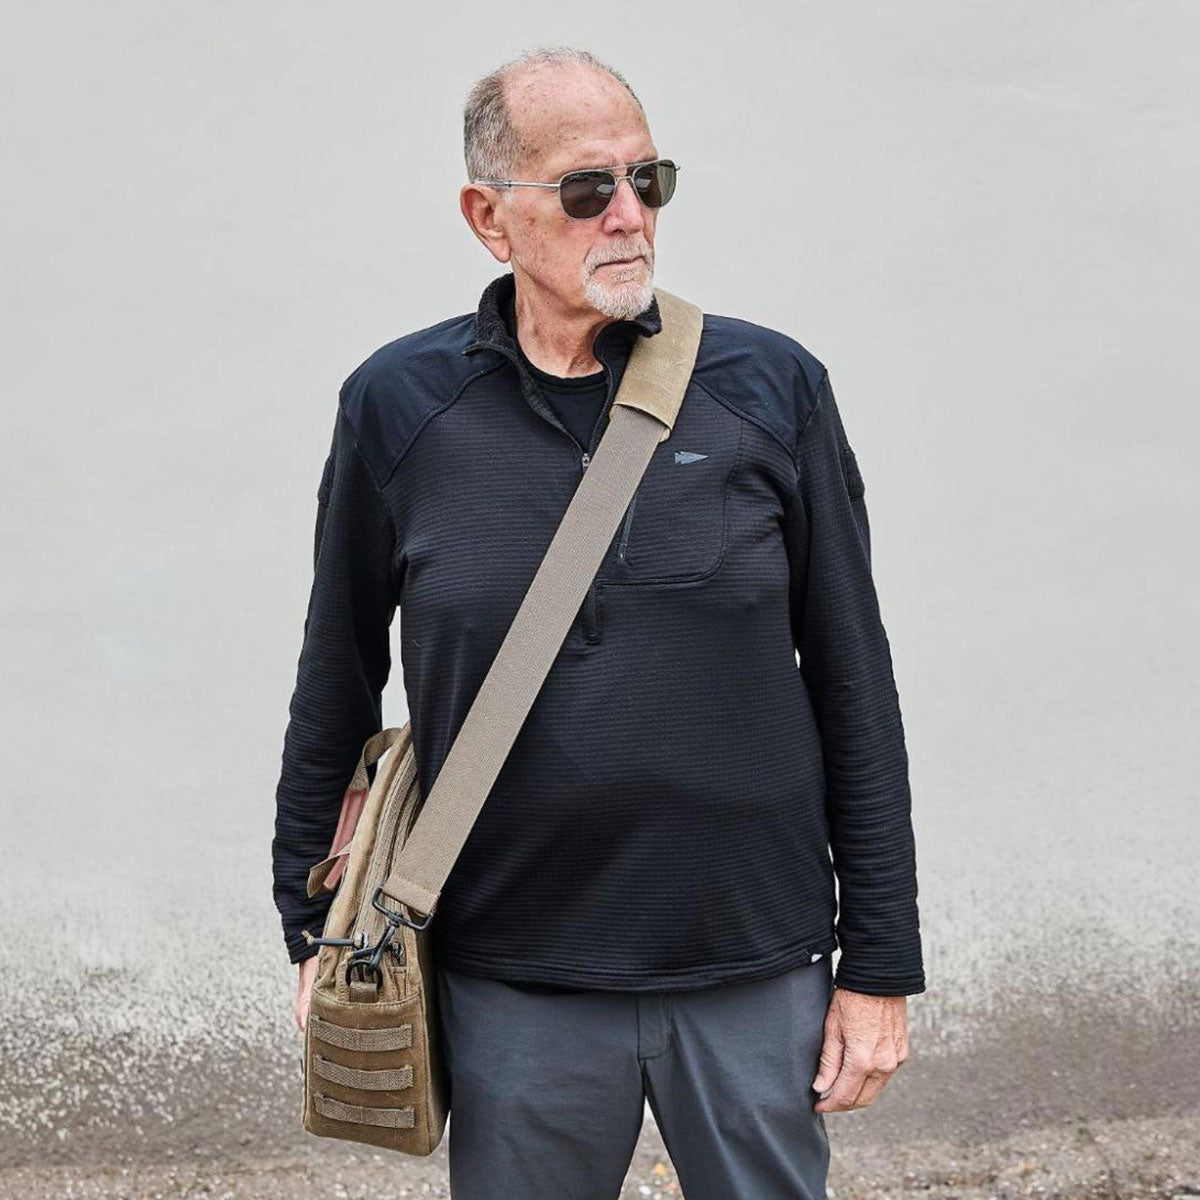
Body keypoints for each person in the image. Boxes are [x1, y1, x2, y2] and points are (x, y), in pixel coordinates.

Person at [272, 44, 925, 1200]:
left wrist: (878, 961)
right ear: (490, 217)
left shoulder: (772, 390)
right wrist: (307, 923)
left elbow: (854, 682)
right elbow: (335, 678)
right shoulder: (399, 407)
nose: (628, 215)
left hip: (752, 964)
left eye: (648, 180)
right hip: (516, 976)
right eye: (586, 189)